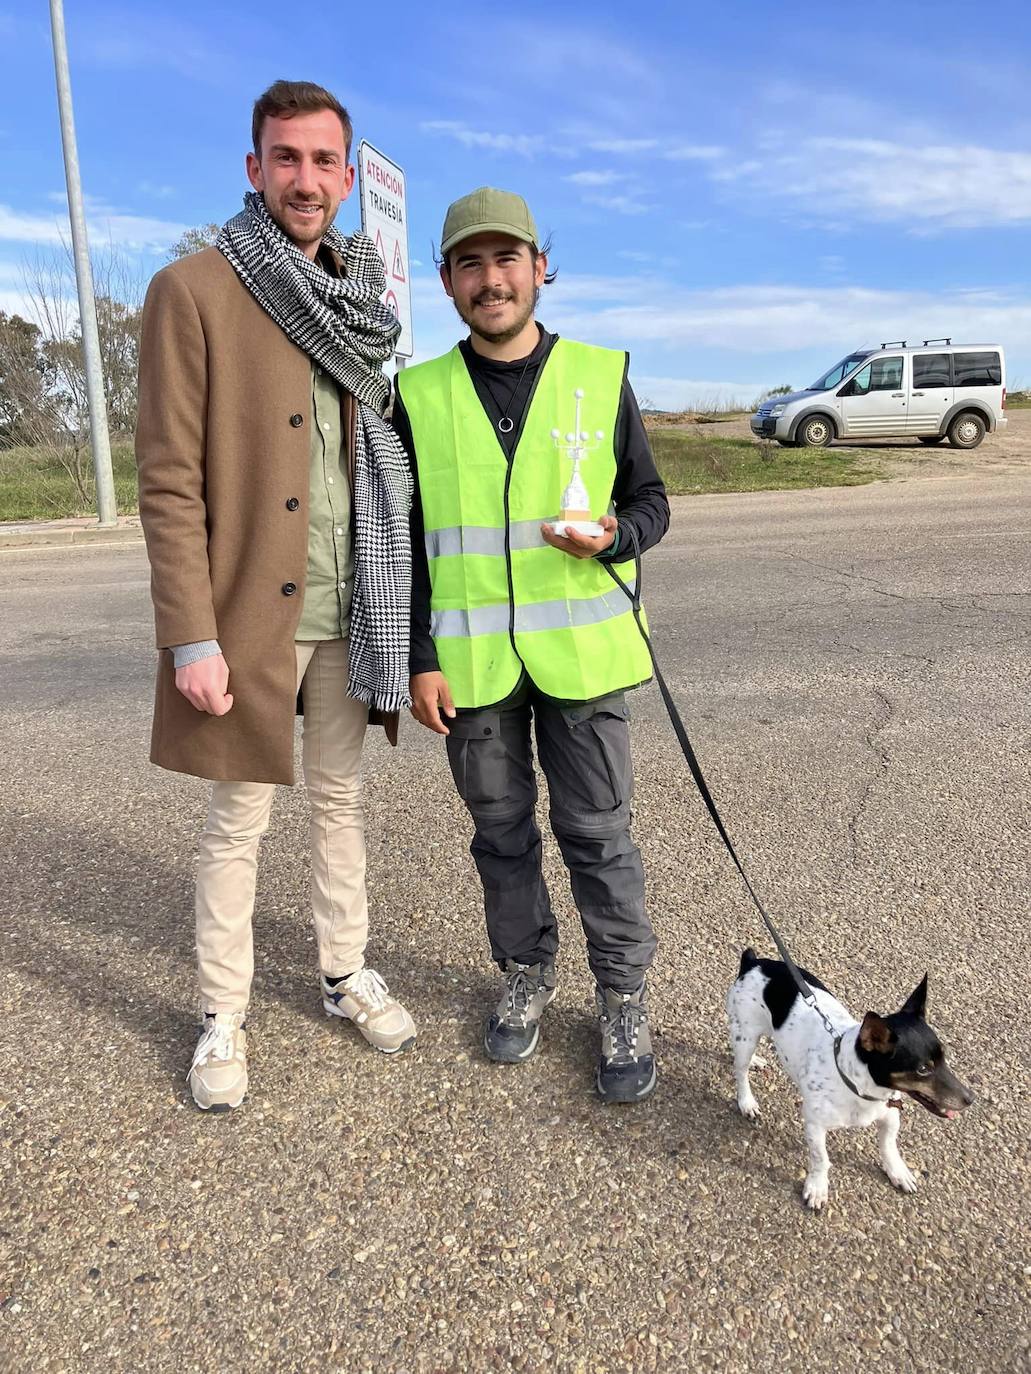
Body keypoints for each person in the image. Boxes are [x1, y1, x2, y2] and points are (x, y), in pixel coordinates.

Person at [135, 80, 416, 1113]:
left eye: (323, 162)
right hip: (250, 612)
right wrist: (188, 636)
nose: (306, 179)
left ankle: (343, 972)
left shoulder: (360, 302)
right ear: (253, 168)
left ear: (347, 177)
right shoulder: (196, 289)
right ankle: (222, 1014)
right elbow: (167, 480)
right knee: (238, 819)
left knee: (341, 799)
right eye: (285, 158)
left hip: (354, 606)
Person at [392, 188, 670, 1103]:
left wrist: (614, 539)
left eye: (507, 258)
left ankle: (622, 996)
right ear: (445, 281)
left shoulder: (596, 372)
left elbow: (650, 504)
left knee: (597, 834)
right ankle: (524, 972)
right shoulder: (418, 395)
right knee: (500, 836)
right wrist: (419, 657)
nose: (491, 279)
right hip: (470, 665)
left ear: (540, 267)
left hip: (582, 661)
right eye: (469, 263)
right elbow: (409, 538)